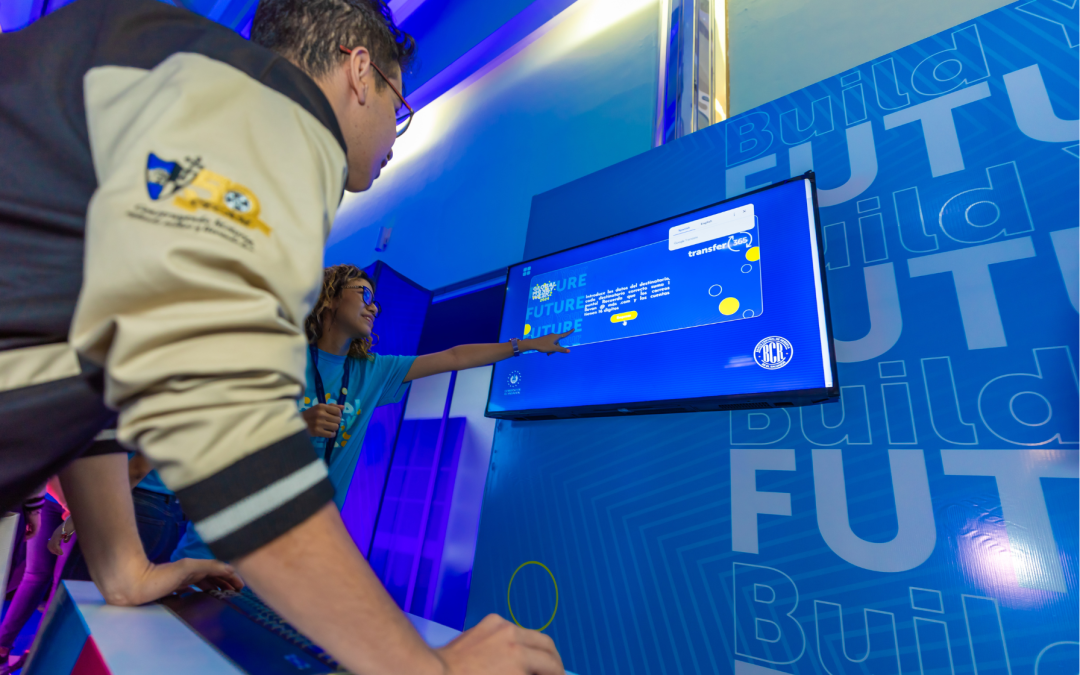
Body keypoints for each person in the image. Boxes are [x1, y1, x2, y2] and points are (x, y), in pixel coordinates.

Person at [0, 0, 566, 672]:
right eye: (399, 106)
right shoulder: (274, 118)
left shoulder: (178, 79)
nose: (394, 135)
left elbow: (85, 347)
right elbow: (229, 438)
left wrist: (124, 565)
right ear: (360, 72)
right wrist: (428, 667)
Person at [300, 264, 572, 509]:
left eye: (375, 303)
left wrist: (525, 345)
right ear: (329, 296)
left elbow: (454, 357)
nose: (373, 309)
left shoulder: (374, 370)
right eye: (365, 295)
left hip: (319, 528)